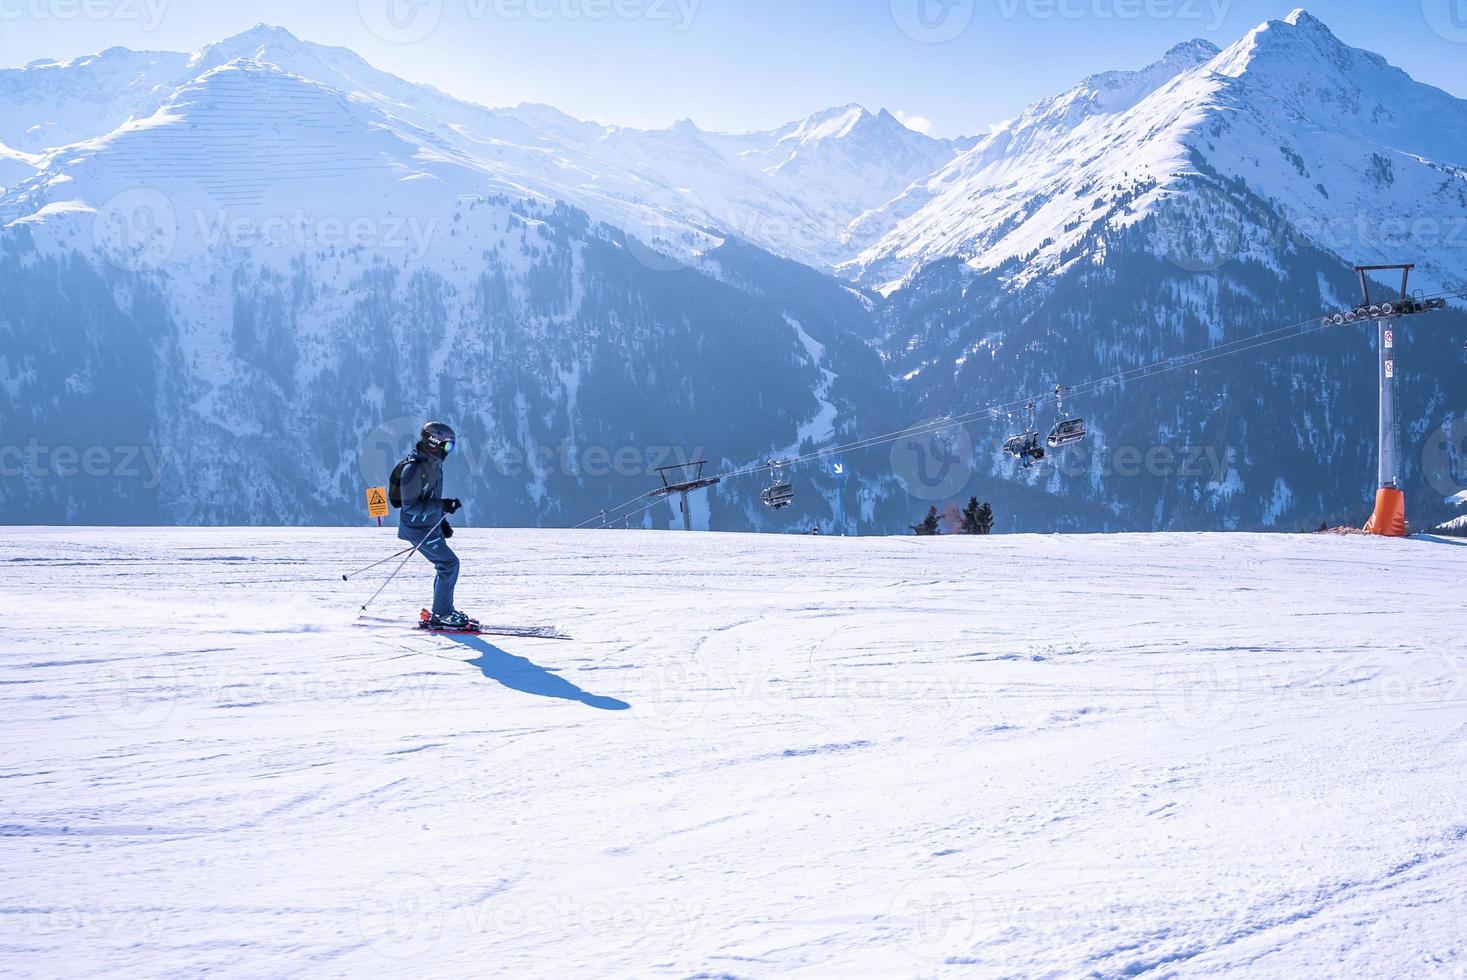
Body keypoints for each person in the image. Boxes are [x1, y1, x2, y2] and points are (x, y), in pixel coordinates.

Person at [395, 421, 473, 629]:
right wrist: (442, 505)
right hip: (417, 528)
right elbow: (410, 507)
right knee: (449, 565)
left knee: (446, 565)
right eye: (447, 446)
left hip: (428, 525)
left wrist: (441, 520)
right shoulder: (413, 469)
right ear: (434, 442)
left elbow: (429, 498)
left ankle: (443, 611)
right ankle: (442, 614)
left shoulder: (433, 464)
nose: (449, 451)